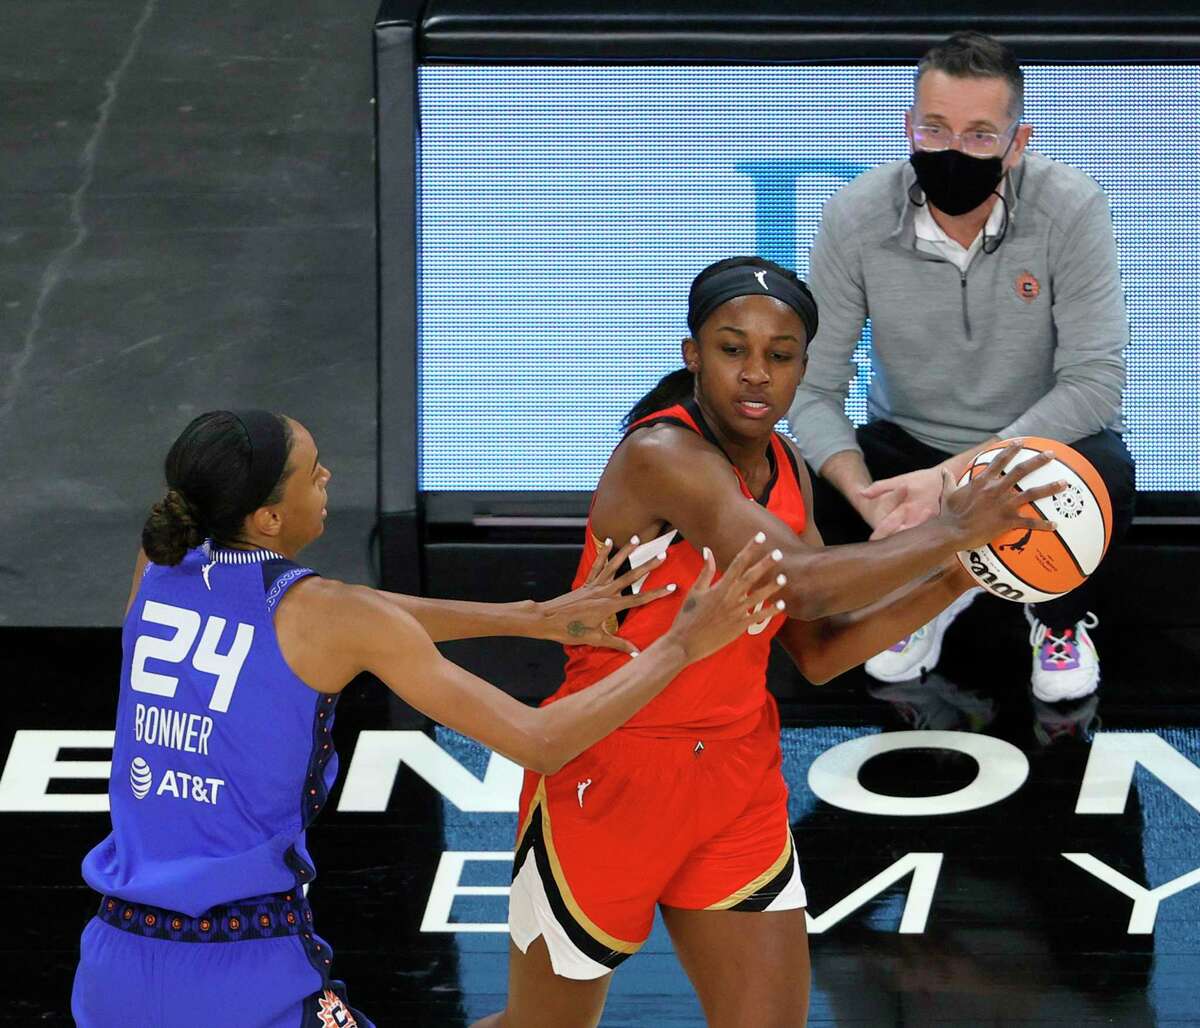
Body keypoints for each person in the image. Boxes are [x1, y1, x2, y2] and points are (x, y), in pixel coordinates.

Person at [473, 256, 1064, 1028]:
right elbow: (803, 582)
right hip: (609, 771)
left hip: (734, 777)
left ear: (805, 370)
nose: (756, 373)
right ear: (692, 355)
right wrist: (955, 527)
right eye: (732, 349)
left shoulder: (788, 466)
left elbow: (817, 649)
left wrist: (958, 576)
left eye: (779, 356)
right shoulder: (663, 457)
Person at [71, 408, 787, 1028]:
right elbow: (541, 743)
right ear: (267, 518)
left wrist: (533, 619)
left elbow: (356, 612)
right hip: (240, 972)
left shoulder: (159, 565)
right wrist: (683, 644)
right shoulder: (324, 615)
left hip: (113, 964)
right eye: (313, 473)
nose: (328, 479)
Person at [788, 30, 1136, 703]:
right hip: (905, 447)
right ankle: (918, 592)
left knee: (1108, 469)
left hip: (1025, 450)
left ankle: (1055, 616)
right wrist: (868, 496)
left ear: (1018, 143)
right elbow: (814, 387)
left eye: (980, 135)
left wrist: (954, 480)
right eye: (936, 129)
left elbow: (1095, 384)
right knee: (803, 477)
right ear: (908, 127)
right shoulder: (856, 214)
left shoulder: (1073, 208)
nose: (954, 151)